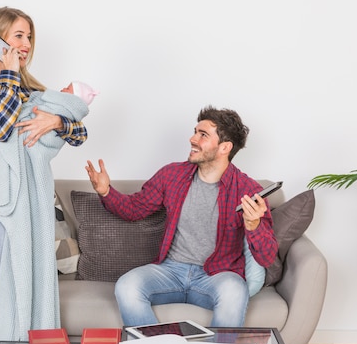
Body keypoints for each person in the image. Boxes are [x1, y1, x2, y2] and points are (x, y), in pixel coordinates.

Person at [0, 7, 88, 343]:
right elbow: (0, 127)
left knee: (30, 286)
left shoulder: (32, 89)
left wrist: (56, 121)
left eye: (29, 36)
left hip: (29, 202)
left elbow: (79, 134)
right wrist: (10, 74)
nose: (27, 43)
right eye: (19, 35)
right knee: (6, 291)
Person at [84, 106, 278, 328]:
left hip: (218, 275)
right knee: (127, 286)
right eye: (195, 131)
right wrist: (106, 191)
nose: (192, 139)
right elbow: (134, 209)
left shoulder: (247, 189)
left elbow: (267, 257)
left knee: (235, 291)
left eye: (202, 135)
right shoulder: (172, 175)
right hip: (170, 271)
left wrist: (253, 226)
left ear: (225, 147)